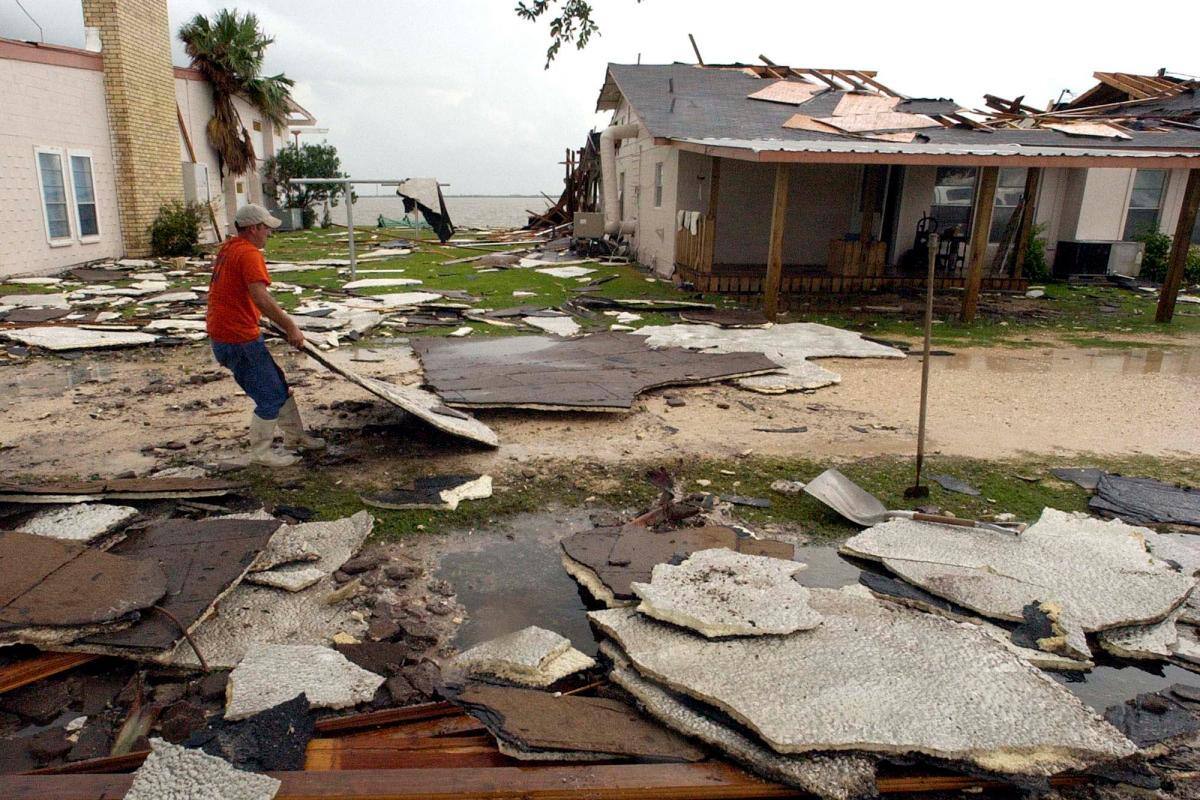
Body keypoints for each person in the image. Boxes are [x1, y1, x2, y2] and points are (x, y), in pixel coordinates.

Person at [206, 204, 324, 467]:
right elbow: (261, 297)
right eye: (266, 228)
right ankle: (261, 453)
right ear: (253, 228)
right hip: (237, 338)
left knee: (279, 384)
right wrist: (290, 327)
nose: (269, 233)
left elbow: (234, 292)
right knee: (269, 395)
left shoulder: (229, 248)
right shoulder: (248, 254)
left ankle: (295, 438)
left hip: (227, 332)